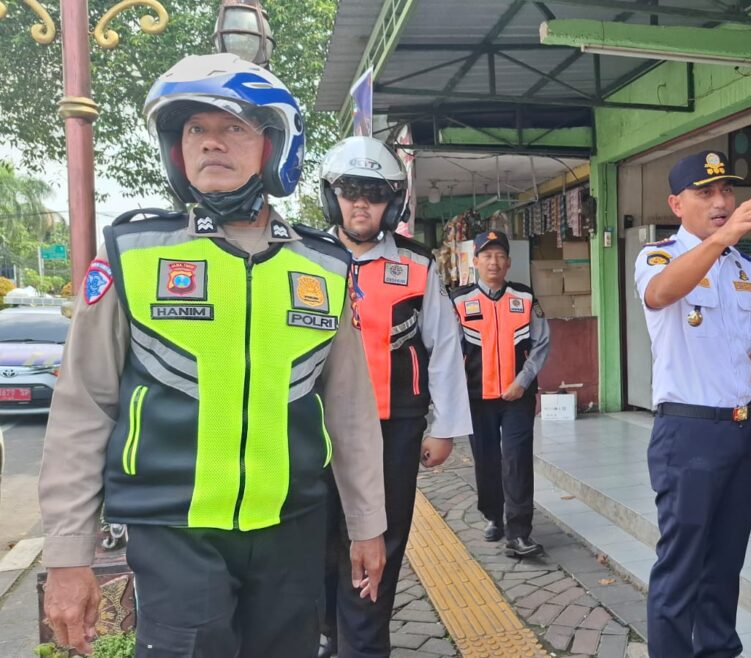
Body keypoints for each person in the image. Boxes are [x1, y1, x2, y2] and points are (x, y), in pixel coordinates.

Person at [38, 53, 388, 658]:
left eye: (233, 128)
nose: (210, 143)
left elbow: (351, 411)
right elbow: (81, 408)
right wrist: (69, 554)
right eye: (195, 129)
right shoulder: (132, 254)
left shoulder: (326, 267)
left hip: (292, 528)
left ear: (275, 146)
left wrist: (368, 524)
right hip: (173, 532)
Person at [316, 136, 473, 658]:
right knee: (318, 544)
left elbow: (445, 346)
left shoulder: (418, 265)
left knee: (379, 545)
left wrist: (446, 427)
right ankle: (324, 636)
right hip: (313, 431)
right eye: (350, 190)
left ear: (393, 202)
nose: (361, 203)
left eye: (375, 193)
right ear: (330, 195)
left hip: (393, 429)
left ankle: (363, 647)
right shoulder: (303, 257)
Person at [634, 151, 751, 658]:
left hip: (740, 436)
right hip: (688, 435)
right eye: (706, 193)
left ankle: (719, 650)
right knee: (682, 567)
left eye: (726, 192)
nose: (721, 203)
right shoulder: (659, 256)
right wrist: (721, 240)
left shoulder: (744, 269)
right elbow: (659, 294)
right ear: (677, 203)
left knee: (725, 565)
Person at [451, 231, 550, 558]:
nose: (493, 262)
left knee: (517, 460)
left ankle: (519, 531)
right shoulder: (459, 301)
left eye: (499, 256)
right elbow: (447, 351)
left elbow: (541, 343)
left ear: (508, 262)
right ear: (475, 261)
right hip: (476, 398)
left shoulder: (524, 298)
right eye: (487, 255)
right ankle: (494, 514)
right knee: (487, 461)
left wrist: (522, 381)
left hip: (517, 397)